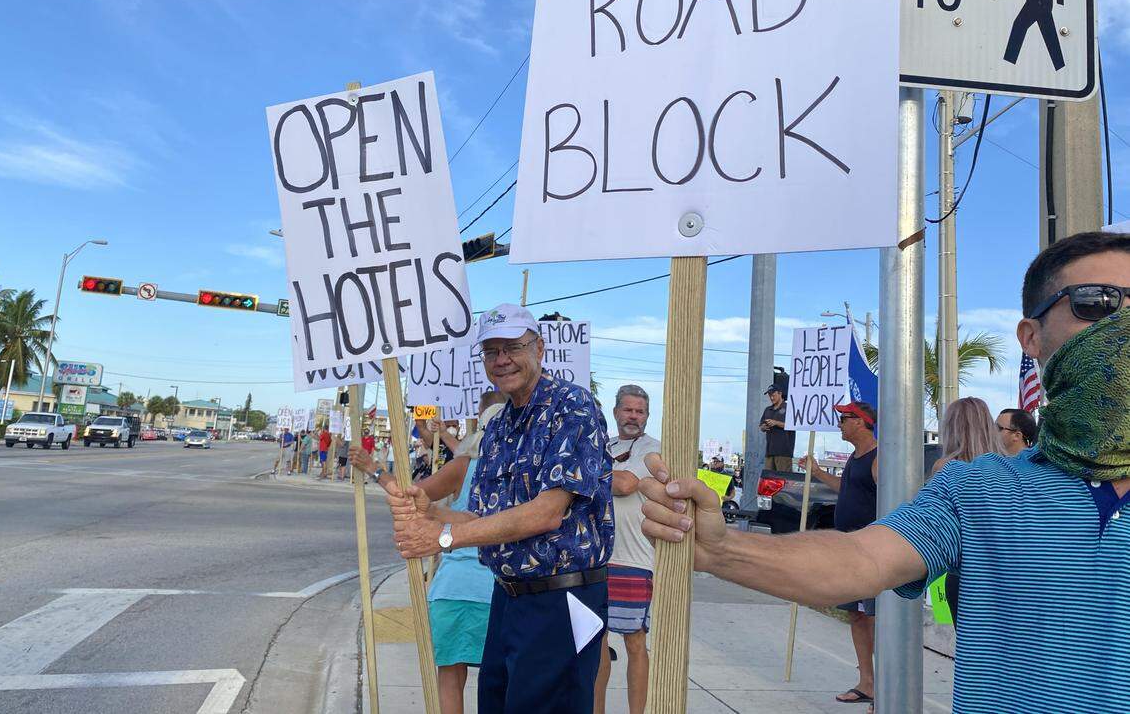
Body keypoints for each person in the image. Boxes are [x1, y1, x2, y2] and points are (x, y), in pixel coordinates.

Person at [640, 231, 1130, 713]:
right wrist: (721, 548)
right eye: (1099, 302)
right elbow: (861, 560)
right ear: (1032, 336)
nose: (1124, 323)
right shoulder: (978, 486)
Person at [386, 303, 613, 714]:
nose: (502, 359)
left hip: (562, 597)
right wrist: (430, 511)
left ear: (539, 348)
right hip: (507, 597)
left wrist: (443, 537)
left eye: (513, 346)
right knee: (495, 703)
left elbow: (548, 512)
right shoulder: (499, 425)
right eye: (491, 351)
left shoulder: (572, 406)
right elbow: (482, 520)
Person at [352, 390, 509, 714]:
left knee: (449, 679)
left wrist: (374, 469)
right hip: (503, 588)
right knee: (502, 682)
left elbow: (410, 495)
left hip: (454, 586)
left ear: (479, 421)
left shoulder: (464, 465)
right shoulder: (525, 468)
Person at [798, 401, 879, 707]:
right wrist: (817, 472)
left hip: (869, 549)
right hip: (848, 548)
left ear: (861, 422)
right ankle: (867, 683)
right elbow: (844, 488)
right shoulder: (854, 458)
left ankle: (882, 690)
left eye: (844, 418)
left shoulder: (878, 457)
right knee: (855, 615)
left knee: (875, 618)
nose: (840, 423)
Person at [594, 384, 660, 714]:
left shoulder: (652, 450)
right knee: (596, 643)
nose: (633, 416)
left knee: (635, 642)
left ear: (647, 416)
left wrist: (586, 470)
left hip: (635, 560)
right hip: (599, 559)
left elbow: (625, 485)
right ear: (616, 411)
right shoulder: (604, 447)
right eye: (628, 409)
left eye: (640, 411)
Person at [931, 397, 1007, 627]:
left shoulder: (946, 469)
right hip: (1002, 570)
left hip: (963, 571)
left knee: (968, 645)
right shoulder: (1008, 469)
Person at [759, 385, 794, 471]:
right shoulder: (768, 409)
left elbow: (793, 425)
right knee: (769, 480)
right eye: (769, 395)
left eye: (773, 395)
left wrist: (776, 423)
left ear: (780, 394)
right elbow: (761, 425)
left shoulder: (789, 408)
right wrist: (763, 427)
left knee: (783, 479)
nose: (771, 397)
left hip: (783, 452)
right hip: (769, 452)